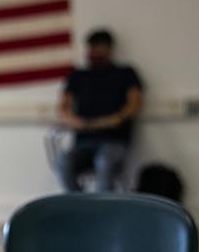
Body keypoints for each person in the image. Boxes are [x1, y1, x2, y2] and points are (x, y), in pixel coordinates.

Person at [55, 29, 143, 191]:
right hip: (83, 142)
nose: (94, 52)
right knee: (63, 161)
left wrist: (117, 118)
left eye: (99, 47)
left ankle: (102, 208)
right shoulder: (78, 75)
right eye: (92, 47)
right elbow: (63, 107)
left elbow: (135, 103)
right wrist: (73, 121)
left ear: (109, 49)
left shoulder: (125, 73)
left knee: (104, 161)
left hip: (114, 141)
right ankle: (78, 205)